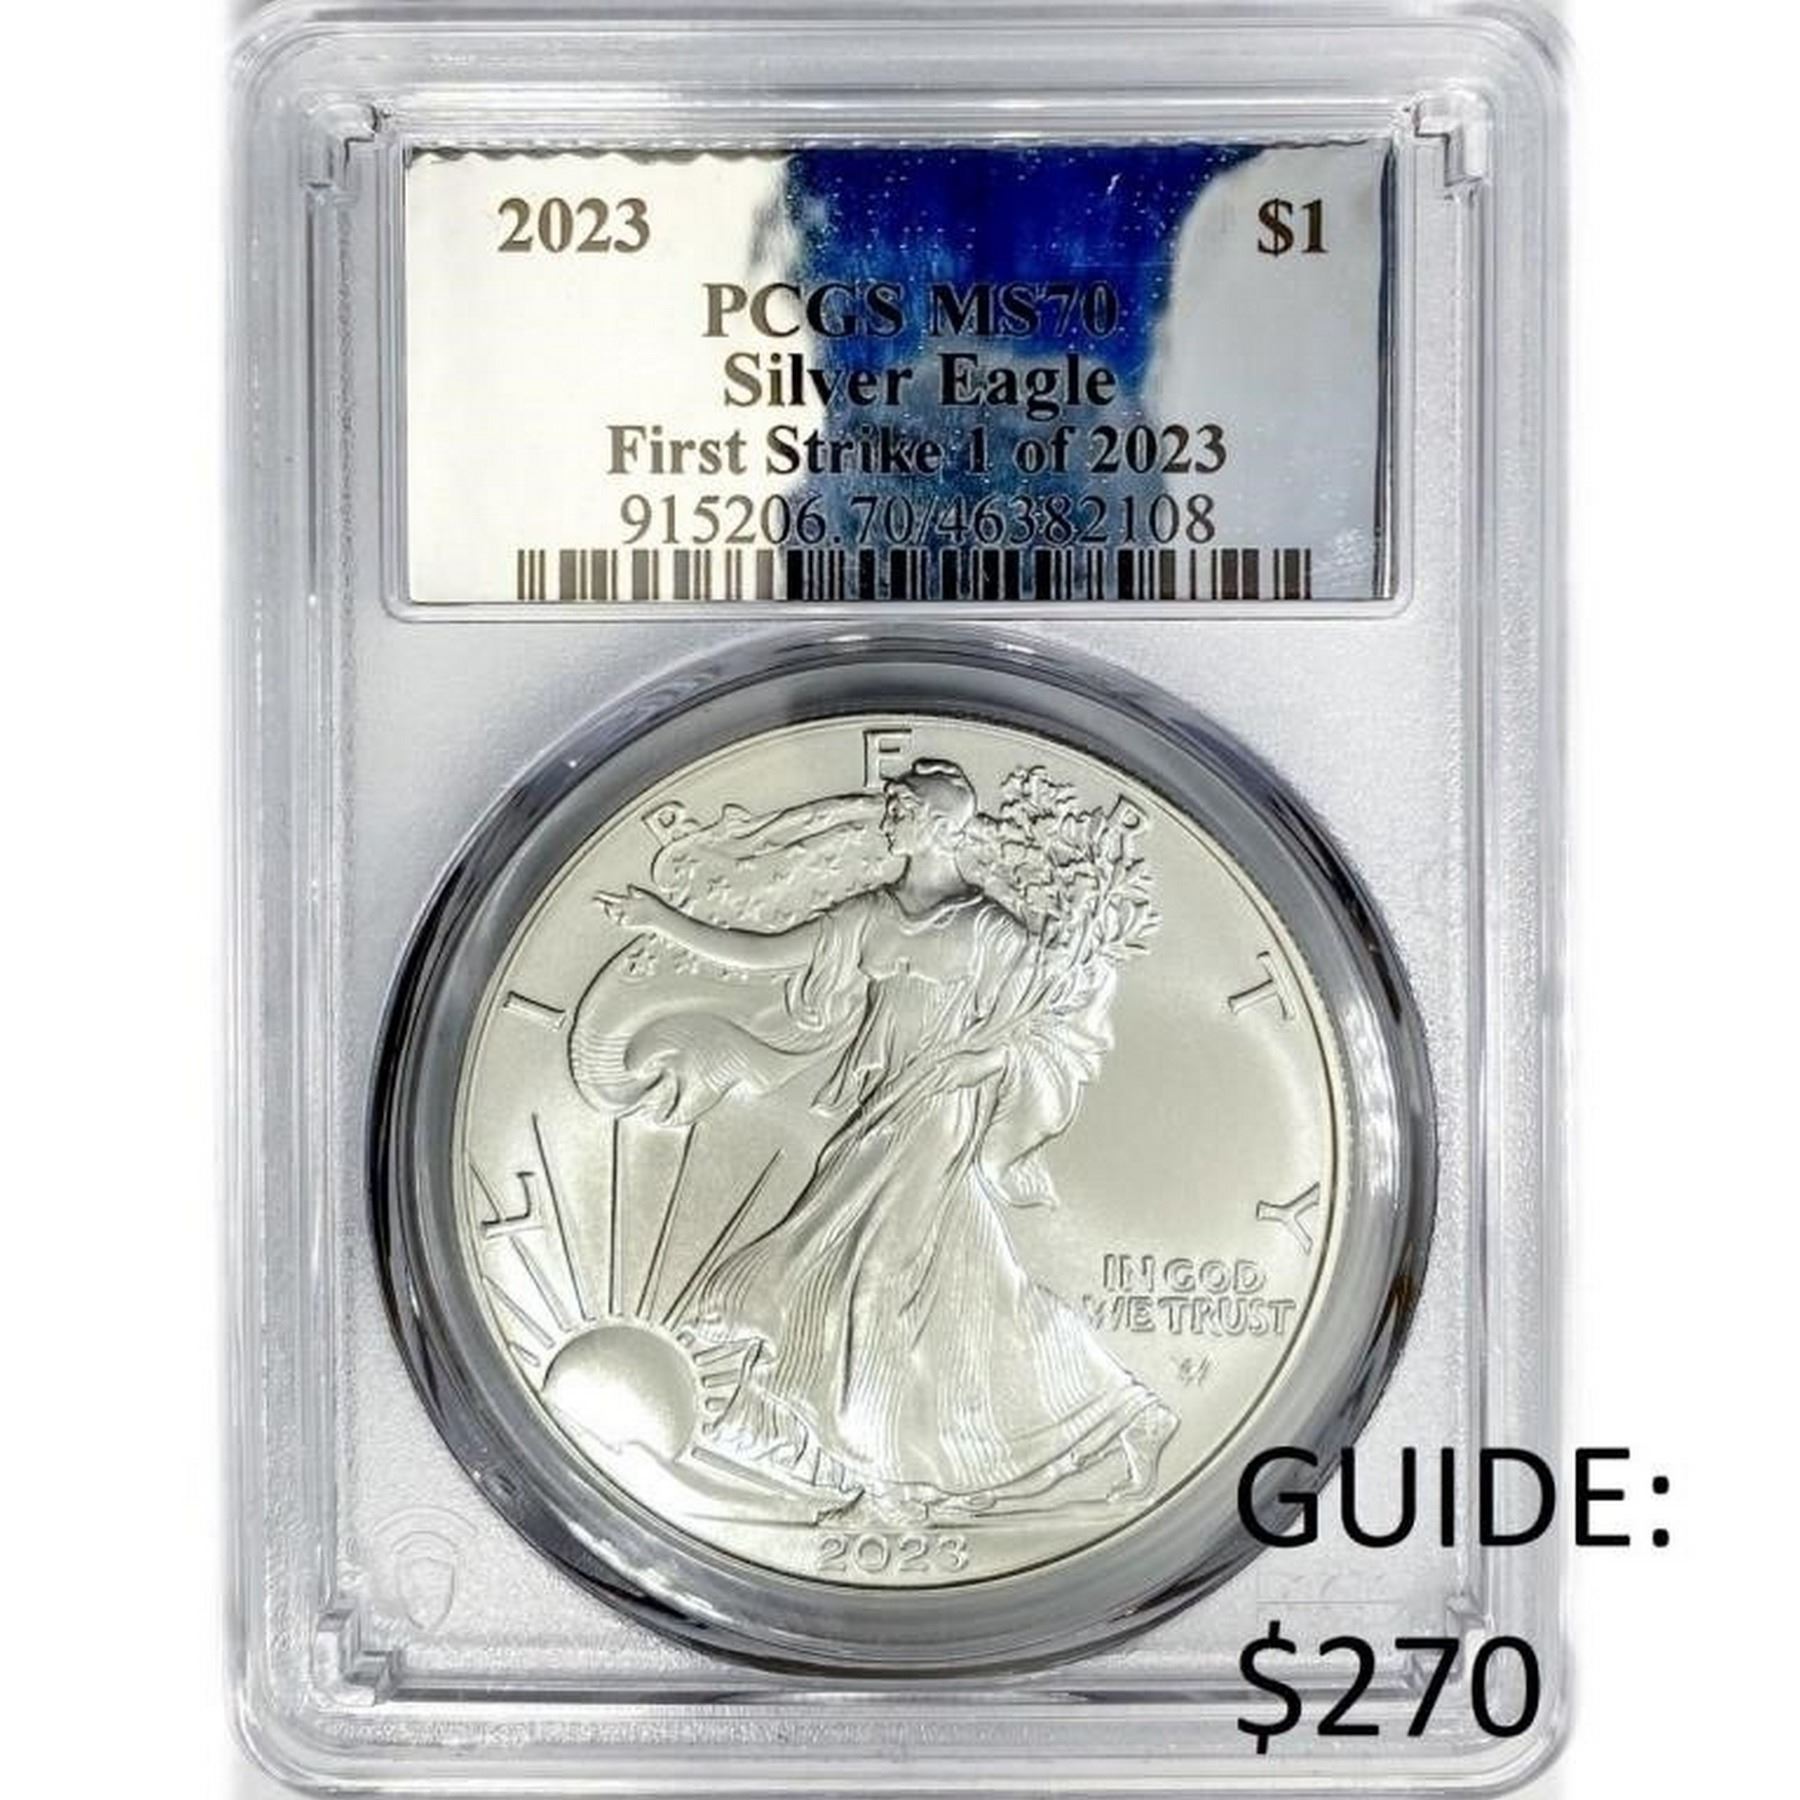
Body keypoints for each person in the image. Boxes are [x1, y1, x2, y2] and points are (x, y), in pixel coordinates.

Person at [589, 759, 1175, 1523]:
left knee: (867, 1281)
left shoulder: (989, 931)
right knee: (974, 1291)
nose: (887, 817)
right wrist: (662, 921)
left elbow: (1056, 1020)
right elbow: (766, 952)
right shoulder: (870, 915)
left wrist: (982, 1060)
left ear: (939, 826)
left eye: (901, 808)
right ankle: (1121, 1416)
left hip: (939, 1116)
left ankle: (890, 1485)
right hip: (882, 1113)